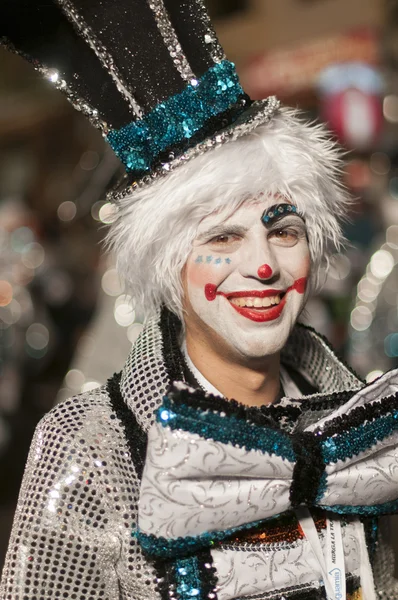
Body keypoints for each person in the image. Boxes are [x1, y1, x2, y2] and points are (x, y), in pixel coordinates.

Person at [2, 1, 398, 599]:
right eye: (222, 237)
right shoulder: (91, 448)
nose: (262, 264)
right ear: (170, 266)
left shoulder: (354, 423)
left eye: (283, 230)